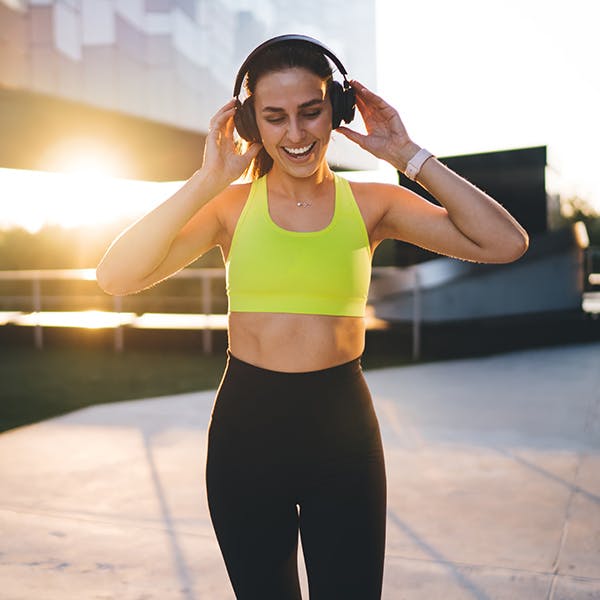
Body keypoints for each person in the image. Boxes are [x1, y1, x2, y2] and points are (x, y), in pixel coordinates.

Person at [96, 34, 528, 600]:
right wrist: (207, 180)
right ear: (251, 127)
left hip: (342, 430)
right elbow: (115, 276)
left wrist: (408, 158)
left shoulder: (376, 205)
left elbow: (506, 243)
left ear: (337, 111)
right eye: (274, 118)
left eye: (311, 112)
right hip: (247, 433)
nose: (295, 135)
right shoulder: (228, 209)